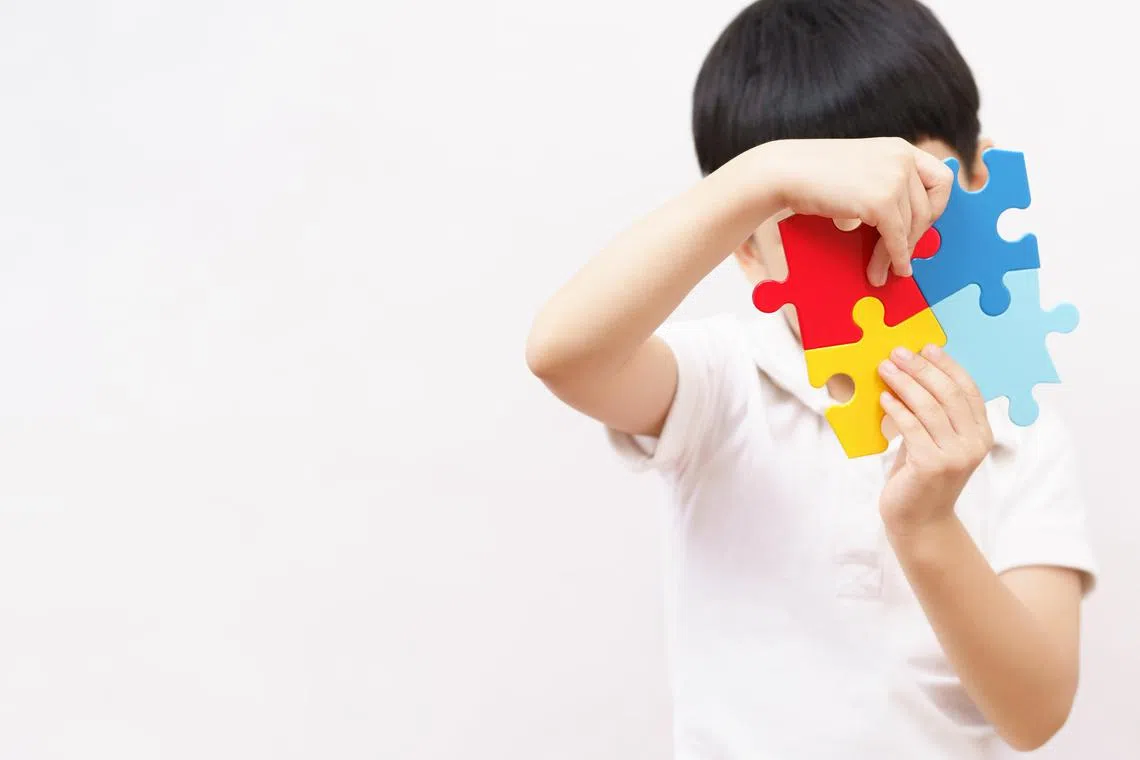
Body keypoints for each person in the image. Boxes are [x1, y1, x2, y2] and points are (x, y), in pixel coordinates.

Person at [524, 0, 1098, 757]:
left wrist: (929, 528)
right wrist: (764, 178)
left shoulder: (1022, 429)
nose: (883, 252)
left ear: (978, 176)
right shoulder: (722, 383)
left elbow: (1037, 712)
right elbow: (564, 355)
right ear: (748, 251)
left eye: (914, 200)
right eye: (819, 226)